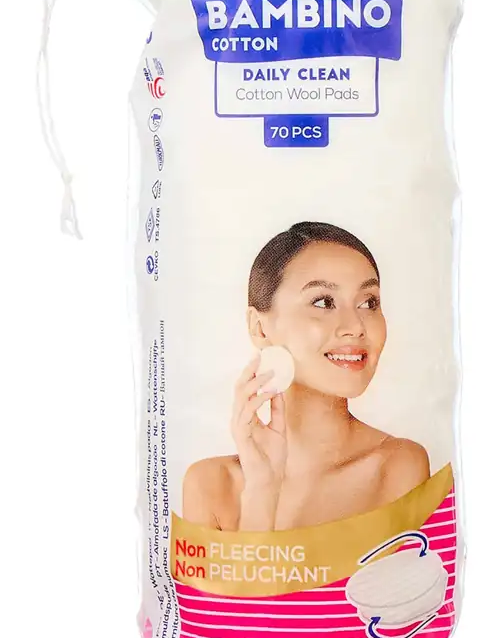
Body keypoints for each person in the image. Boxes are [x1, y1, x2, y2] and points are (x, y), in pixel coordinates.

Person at [183, 222, 431, 531]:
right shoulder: (210, 486)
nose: (355, 326)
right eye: (324, 302)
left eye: (368, 303)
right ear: (259, 328)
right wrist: (261, 490)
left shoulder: (397, 467)